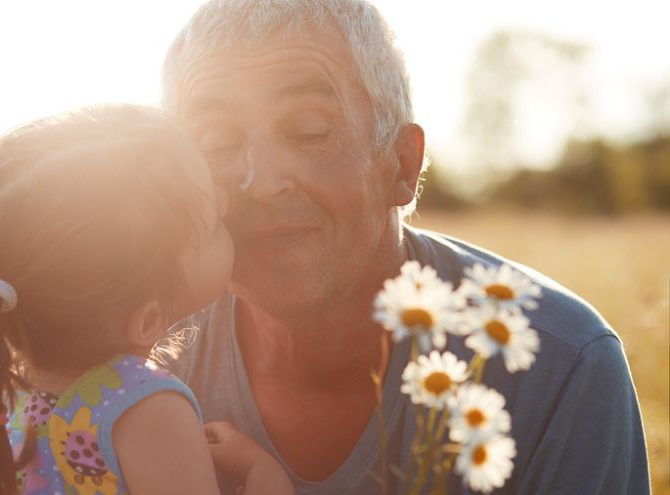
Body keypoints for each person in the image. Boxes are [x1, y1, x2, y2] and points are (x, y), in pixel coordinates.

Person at [160, 1, 651, 493]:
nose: (262, 180)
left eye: (309, 131)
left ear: (401, 165)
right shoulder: (137, 345)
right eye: (217, 141)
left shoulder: (562, 370)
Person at [0, 105, 292, 495]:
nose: (225, 200)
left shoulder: (15, 393)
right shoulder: (150, 411)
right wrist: (264, 478)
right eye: (210, 224)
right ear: (148, 321)